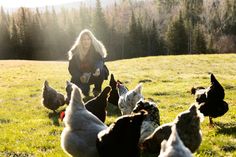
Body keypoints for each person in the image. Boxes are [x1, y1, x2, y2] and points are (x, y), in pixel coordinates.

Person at [68, 29, 109, 97]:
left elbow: (100, 61)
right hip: (81, 77)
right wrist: (79, 76)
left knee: (101, 71)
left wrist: (98, 69)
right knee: (83, 93)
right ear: (80, 41)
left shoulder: (96, 49)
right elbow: (71, 68)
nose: (86, 41)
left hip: (93, 75)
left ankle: (97, 90)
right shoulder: (75, 52)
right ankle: (84, 89)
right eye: (84, 39)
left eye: (88, 39)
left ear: (91, 40)